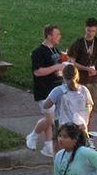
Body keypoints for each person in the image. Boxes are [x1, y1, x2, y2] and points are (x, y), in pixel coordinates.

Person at [28, 24, 68, 156]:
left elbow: (58, 67)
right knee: (51, 120)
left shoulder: (56, 51)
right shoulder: (38, 52)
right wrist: (56, 67)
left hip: (56, 89)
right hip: (44, 91)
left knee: (51, 118)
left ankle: (48, 146)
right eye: (57, 34)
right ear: (49, 36)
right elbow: (38, 72)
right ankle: (33, 135)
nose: (59, 37)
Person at [66, 18, 97, 119]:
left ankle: (88, 130)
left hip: (94, 79)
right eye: (89, 30)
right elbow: (71, 62)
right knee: (81, 107)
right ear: (85, 29)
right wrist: (86, 69)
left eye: (93, 31)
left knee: (93, 107)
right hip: (82, 80)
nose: (91, 33)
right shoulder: (78, 43)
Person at [46, 62, 94, 135]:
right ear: (77, 76)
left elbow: (46, 105)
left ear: (63, 76)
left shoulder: (58, 90)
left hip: (63, 126)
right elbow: (89, 106)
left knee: (59, 144)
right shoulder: (84, 90)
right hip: (80, 127)